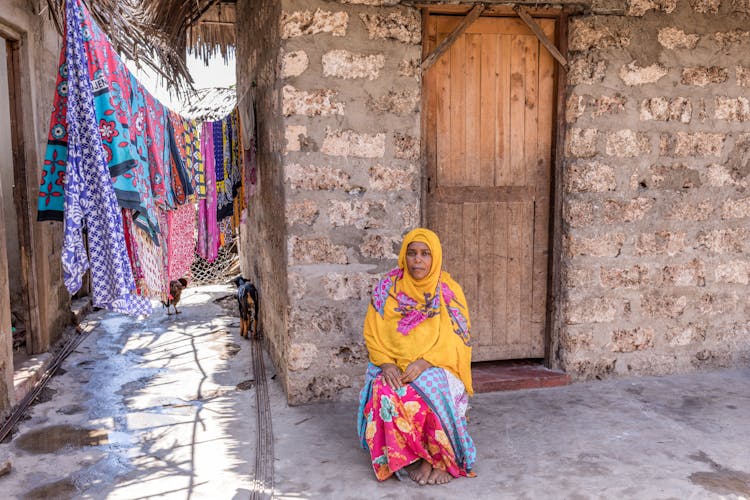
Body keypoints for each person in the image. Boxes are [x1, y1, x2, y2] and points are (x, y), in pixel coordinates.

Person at [357, 228, 476, 485]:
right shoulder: (386, 289)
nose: (418, 260)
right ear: (404, 256)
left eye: (425, 254)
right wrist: (386, 363)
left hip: (437, 362)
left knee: (431, 389)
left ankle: (441, 459)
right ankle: (413, 456)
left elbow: (458, 338)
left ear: (435, 258)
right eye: (412, 253)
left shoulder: (448, 291)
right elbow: (372, 332)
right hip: (393, 365)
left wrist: (425, 362)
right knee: (385, 391)